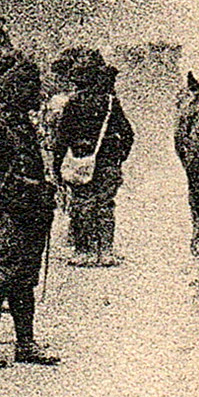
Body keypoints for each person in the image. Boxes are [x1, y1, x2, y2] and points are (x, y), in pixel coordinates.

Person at [0, 58, 60, 368]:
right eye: (31, 88)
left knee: (24, 281)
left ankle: (26, 343)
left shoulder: (23, 122)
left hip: (32, 212)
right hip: (8, 215)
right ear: (14, 90)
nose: (37, 93)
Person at [53, 51, 134, 266]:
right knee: (105, 206)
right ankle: (105, 251)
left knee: (82, 205)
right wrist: (119, 157)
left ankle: (85, 251)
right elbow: (128, 134)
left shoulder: (73, 103)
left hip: (81, 162)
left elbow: (62, 138)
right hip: (108, 161)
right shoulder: (109, 102)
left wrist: (58, 165)